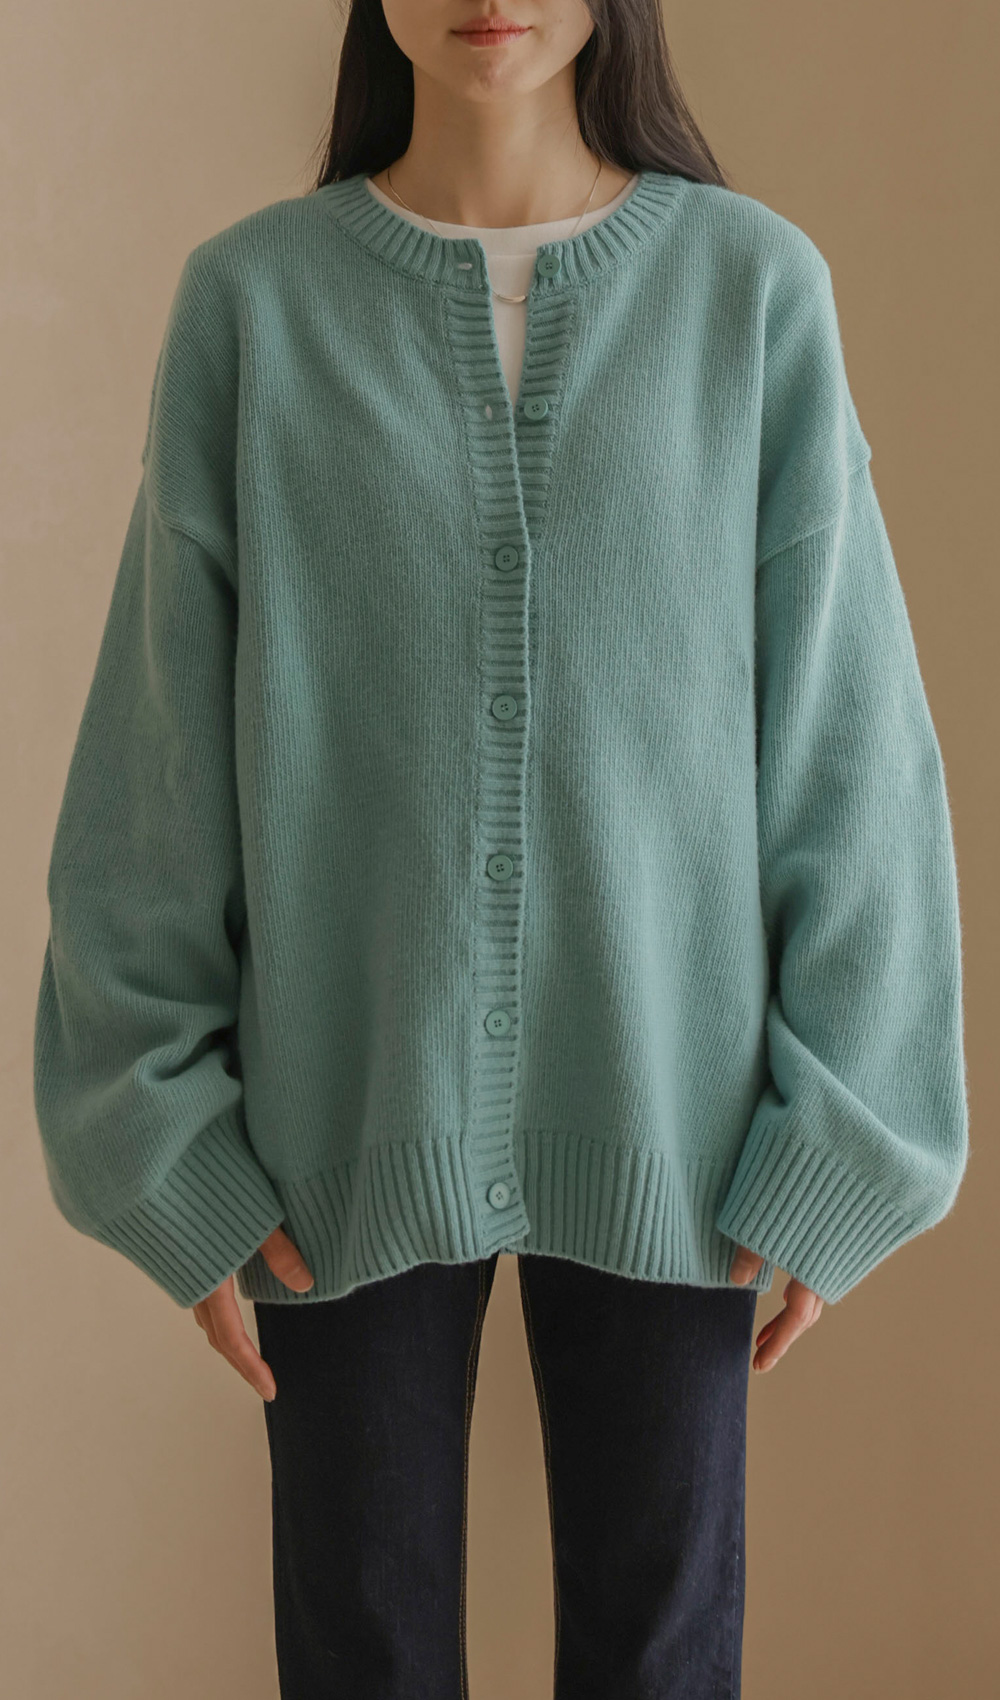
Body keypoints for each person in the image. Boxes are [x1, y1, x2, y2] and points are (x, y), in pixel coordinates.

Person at [32, 1, 969, 1695]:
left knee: (658, 1664)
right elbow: (156, 769)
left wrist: (848, 1139)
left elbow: (853, 750)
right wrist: (162, 1148)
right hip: (338, 1125)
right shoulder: (254, 306)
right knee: (363, 1659)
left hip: (688, 1134)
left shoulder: (753, 292)